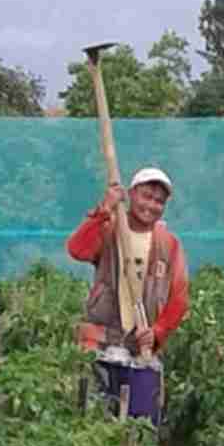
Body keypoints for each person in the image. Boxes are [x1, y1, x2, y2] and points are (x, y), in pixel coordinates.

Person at [67, 166, 190, 424]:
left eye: (159, 201)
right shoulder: (110, 228)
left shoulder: (169, 245)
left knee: (141, 428)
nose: (151, 205)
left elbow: (178, 299)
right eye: (147, 196)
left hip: (141, 352)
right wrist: (104, 210)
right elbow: (77, 249)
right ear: (132, 194)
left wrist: (156, 331)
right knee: (93, 426)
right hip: (101, 344)